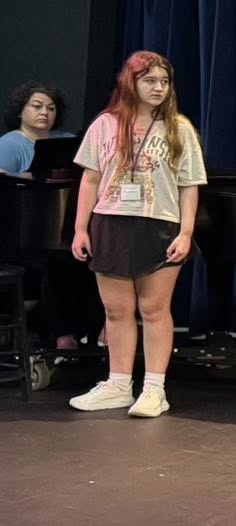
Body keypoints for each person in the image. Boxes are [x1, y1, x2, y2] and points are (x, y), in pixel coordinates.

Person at [66, 51, 207, 418]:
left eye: (164, 82)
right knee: (116, 311)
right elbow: (91, 178)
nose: (159, 88)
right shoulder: (105, 125)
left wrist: (186, 232)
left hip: (159, 225)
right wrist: (81, 228)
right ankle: (117, 384)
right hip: (110, 222)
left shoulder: (180, 128)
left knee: (154, 309)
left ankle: (154, 388)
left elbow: (189, 186)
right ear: (132, 83)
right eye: (150, 81)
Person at [0, 81, 66, 175]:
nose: (45, 113)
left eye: (51, 108)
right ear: (20, 111)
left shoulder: (67, 140)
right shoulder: (7, 145)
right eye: (37, 106)